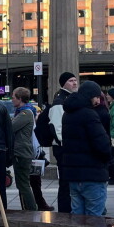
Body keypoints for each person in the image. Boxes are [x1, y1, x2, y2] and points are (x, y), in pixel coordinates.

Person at [61, 80, 112, 215]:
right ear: (90, 96)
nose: (97, 101)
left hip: (73, 175)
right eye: (96, 97)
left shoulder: (68, 114)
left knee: (77, 216)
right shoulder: (89, 114)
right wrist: (107, 159)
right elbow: (102, 145)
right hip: (92, 174)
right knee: (94, 218)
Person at [35, 72, 78, 213]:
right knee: (65, 183)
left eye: (75, 80)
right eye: (71, 80)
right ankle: (65, 211)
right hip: (64, 148)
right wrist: (68, 145)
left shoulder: (67, 99)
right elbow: (57, 128)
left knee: (67, 182)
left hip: (64, 147)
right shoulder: (60, 101)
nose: (75, 83)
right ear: (64, 83)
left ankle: (68, 209)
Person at [10, 87, 40, 210]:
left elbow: (11, 127)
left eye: (13, 97)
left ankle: (32, 210)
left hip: (22, 152)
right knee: (22, 184)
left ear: (20, 98)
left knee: (23, 185)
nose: (12, 100)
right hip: (22, 151)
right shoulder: (23, 112)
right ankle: (28, 209)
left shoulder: (25, 113)